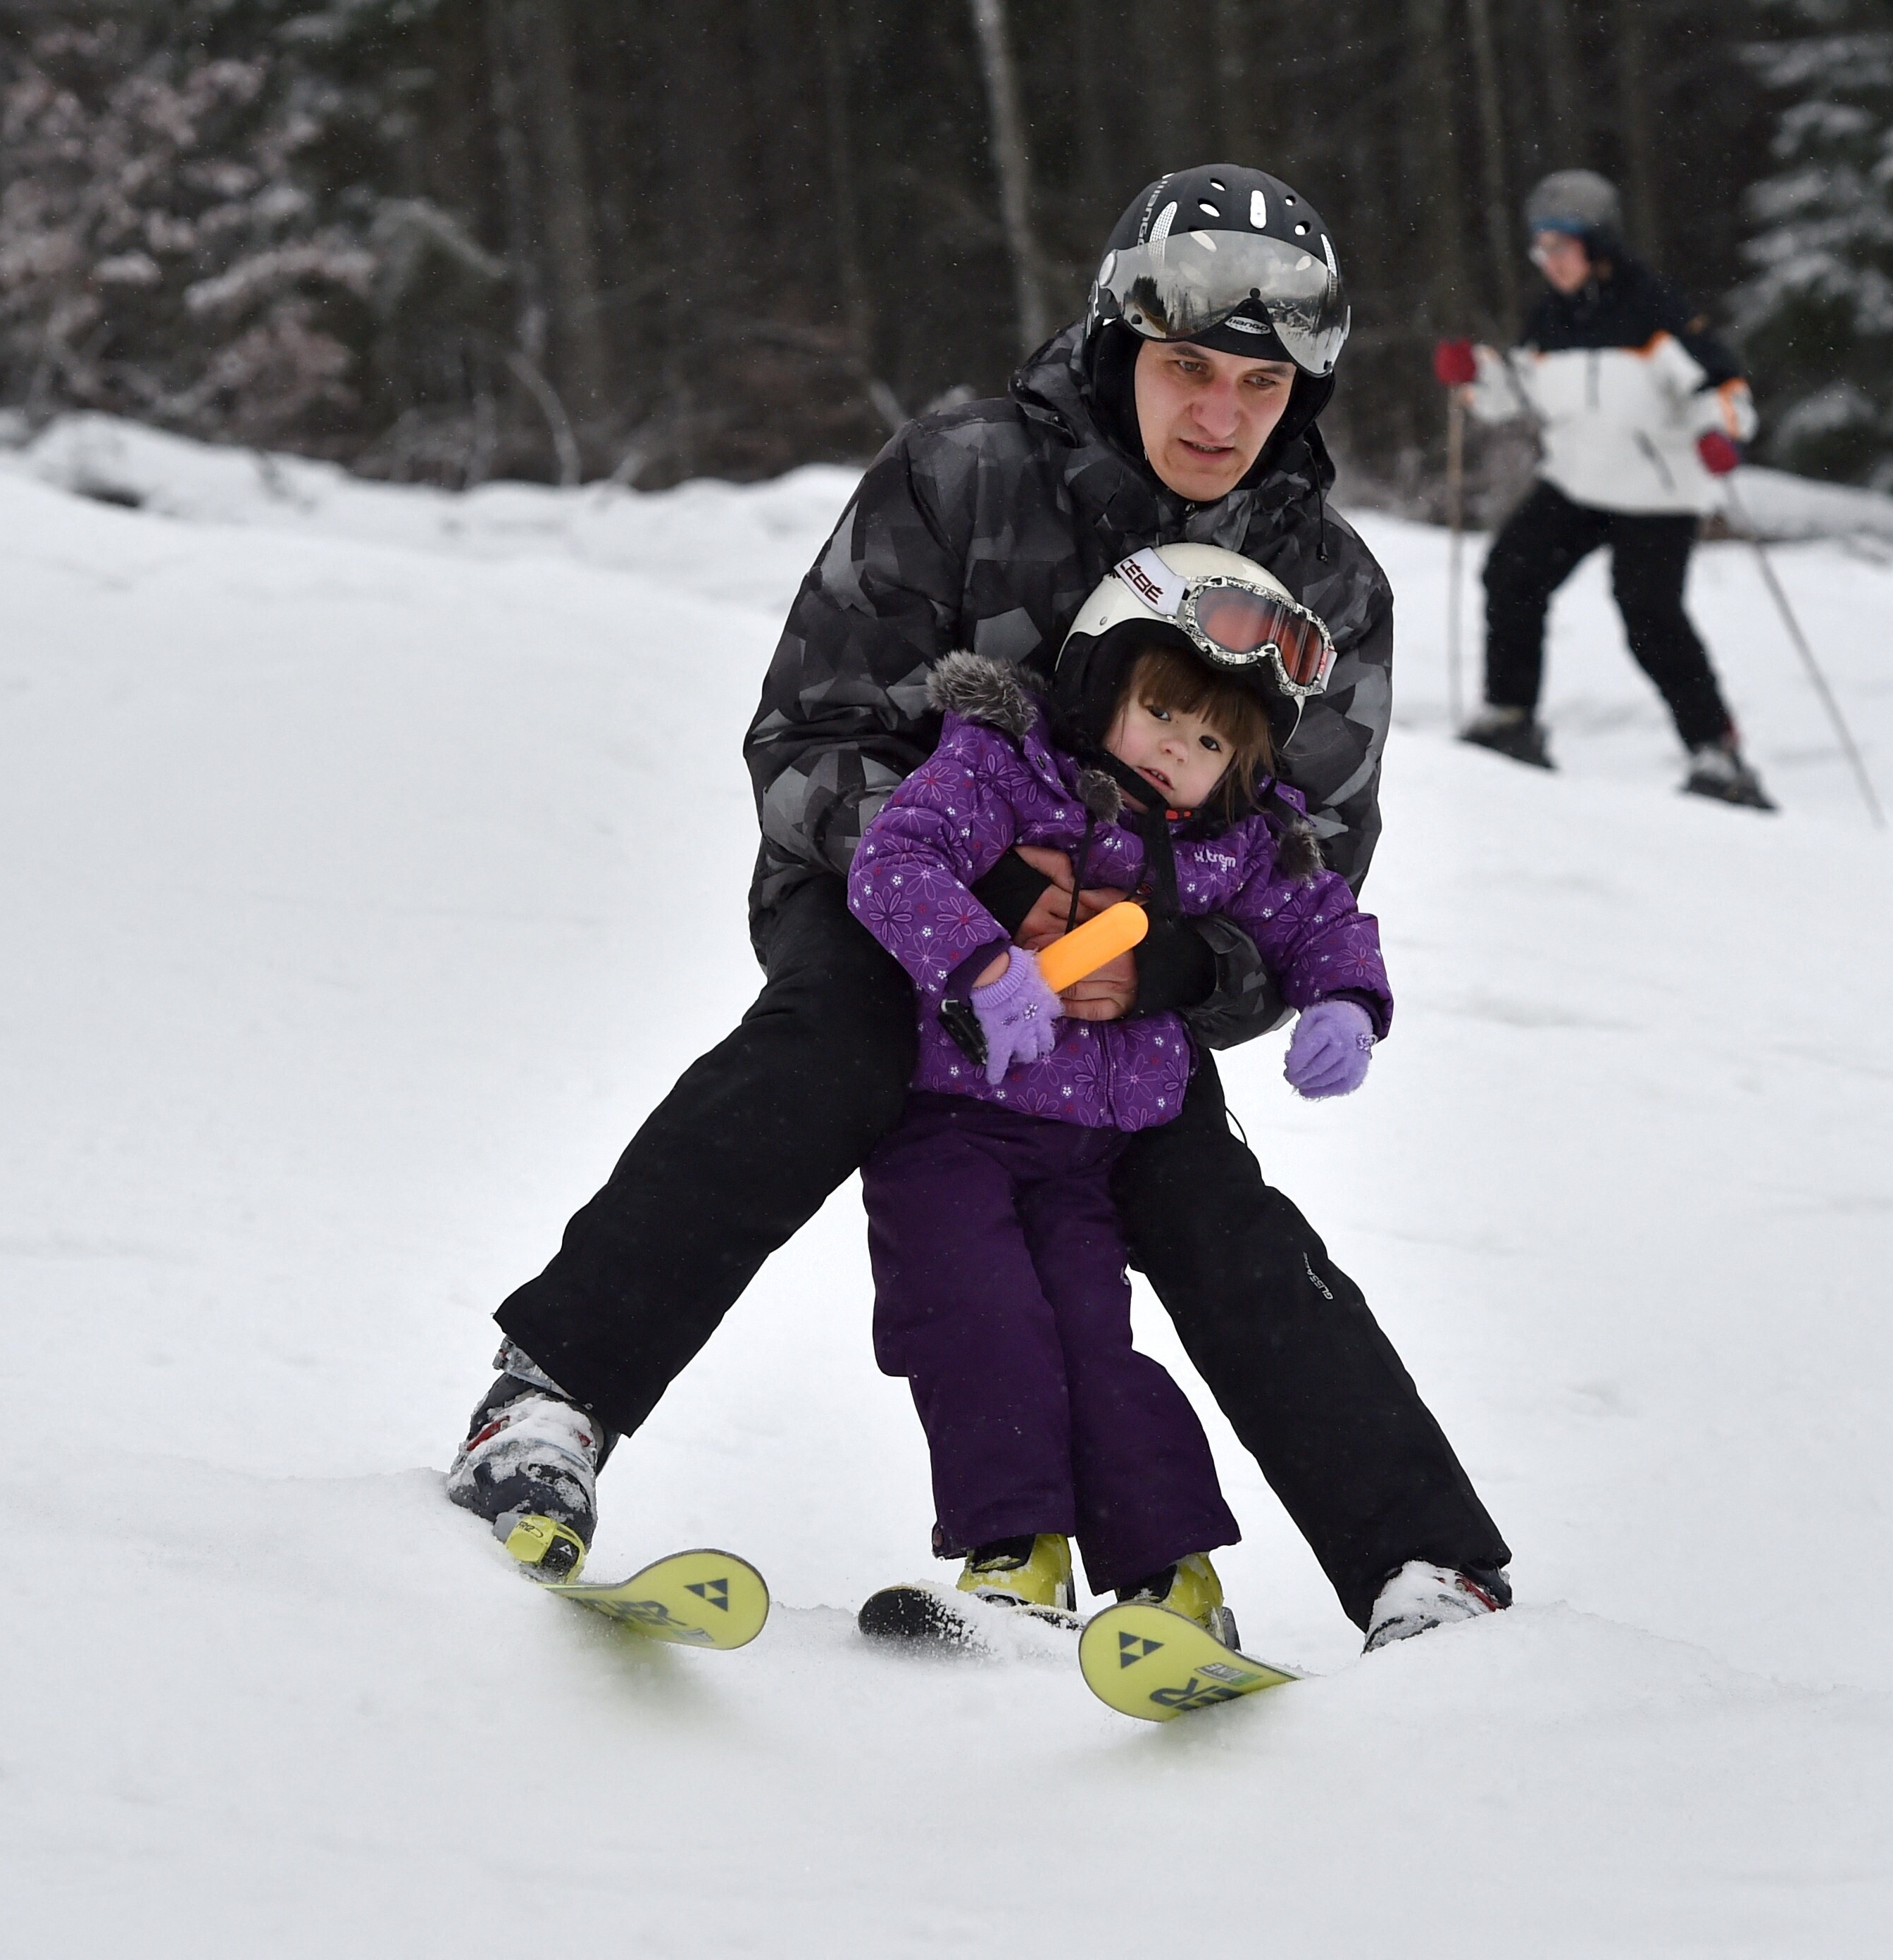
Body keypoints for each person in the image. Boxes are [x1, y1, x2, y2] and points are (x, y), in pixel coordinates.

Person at [446, 163, 1513, 1652]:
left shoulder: (1321, 586)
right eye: (1189, 368)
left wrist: (1174, 972)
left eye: (1259, 382)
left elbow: (1310, 871)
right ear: (1119, 344)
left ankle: (1428, 1569)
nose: (1217, 412)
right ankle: (545, 1403)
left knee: (1203, 1199)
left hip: (1120, 975)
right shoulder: (963, 475)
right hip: (894, 904)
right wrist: (986, 895)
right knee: (824, 1054)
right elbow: (802, 739)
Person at [851, 546, 1390, 1649]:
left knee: (1096, 1348)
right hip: (950, 1126)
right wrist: (979, 965)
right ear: (1103, 679)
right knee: (978, 1321)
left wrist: (1344, 1001)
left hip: (1089, 1155)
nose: (1175, 754)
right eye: (1160, 714)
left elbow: (1316, 916)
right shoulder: (1001, 770)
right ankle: (1016, 1552)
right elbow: (893, 858)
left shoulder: (1234, 838)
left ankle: (1171, 1577)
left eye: (1207, 745)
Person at [1436, 168, 1773, 810]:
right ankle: (1511, 719)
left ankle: (1718, 755)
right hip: (1579, 482)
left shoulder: (1655, 311)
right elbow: (1513, 397)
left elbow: (1723, 389)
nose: (1549, 261)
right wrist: (1473, 377)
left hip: (1660, 491)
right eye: (1541, 248)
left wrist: (1722, 434)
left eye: (1560, 246)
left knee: (1648, 612)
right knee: (1512, 572)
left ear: (1598, 245)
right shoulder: (1548, 320)